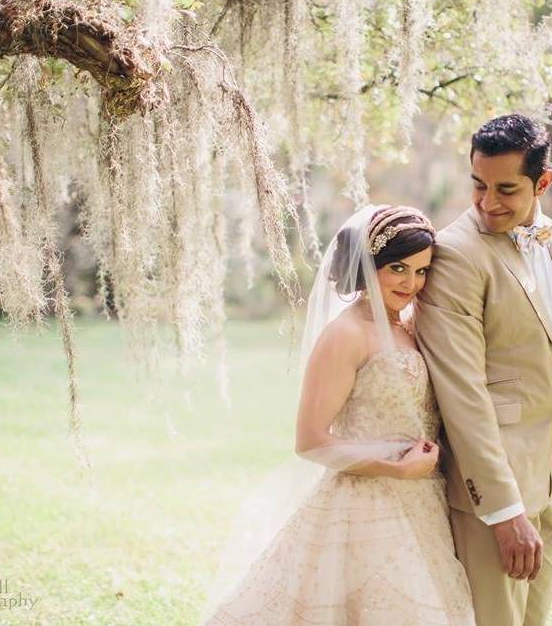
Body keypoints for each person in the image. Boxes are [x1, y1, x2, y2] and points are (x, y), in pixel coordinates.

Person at [203, 204, 475, 626]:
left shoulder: (413, 326)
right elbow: (310, 440)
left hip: (425, 501)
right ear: (368, 266)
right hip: (366, 504)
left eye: (422, 271)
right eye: (398, 268)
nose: (412, 283)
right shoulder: (345, 335)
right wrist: (396, 469)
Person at [415, 113, 552, 625]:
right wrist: (501, 509)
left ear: (543, 183)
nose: (487, 202)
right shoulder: (454, 254)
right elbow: (462, 393)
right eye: (478, 185)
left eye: (506, 189)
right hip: (492, 495)